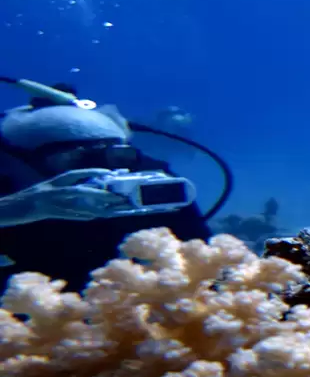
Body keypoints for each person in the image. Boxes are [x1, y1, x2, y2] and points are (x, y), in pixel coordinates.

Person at [0, 83, 212, 293]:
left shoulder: (153, 182)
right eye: (75, 159)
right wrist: (12, 209)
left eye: (116, 157)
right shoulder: (7, 183)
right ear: (14, 163)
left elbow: (203, 260)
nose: (99, 172)